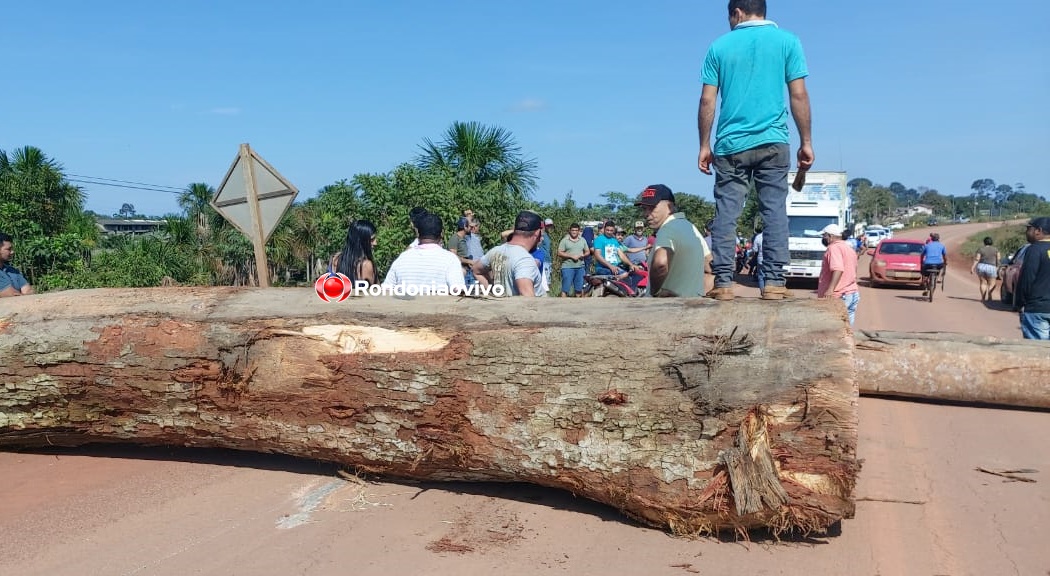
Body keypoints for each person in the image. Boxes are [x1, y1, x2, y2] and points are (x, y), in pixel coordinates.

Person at [698, 0, 813, 301]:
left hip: (730, 146)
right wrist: (807, 141)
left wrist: (703, 145)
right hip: (773, 142)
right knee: (774, 210)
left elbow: (707, 101)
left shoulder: (719, 47)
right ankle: (774, 281)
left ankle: (723, 282)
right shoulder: (788, 41)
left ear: (736, 13)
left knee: (726, 212)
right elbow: (798, 94)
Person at [634, 184, 707, 297]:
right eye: (644, 209)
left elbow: (660, 264)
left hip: (666, 309)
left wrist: (655, 292)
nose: (646, 214)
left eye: (652, 208)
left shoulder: (667, 229)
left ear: (670, 206)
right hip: (691, 306)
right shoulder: (691, 228)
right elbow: (709, 265)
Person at [381, 213, 465, 294]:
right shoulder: (450, 259)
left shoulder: (402, 258)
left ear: (418, 233)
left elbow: (386, 290)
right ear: (442, 233)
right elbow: (458, 291)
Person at [472, 211, 544, 297]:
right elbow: (528, 300)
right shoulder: (524, 260)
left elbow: (476, 270)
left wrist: (494, 294)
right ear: (537, 233)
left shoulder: (495, 251)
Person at [816, 224, 860, 326]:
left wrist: (830, 289)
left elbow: (838, 269)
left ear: (830, 236)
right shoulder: (849, 248)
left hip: (840, 295)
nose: (823, 238)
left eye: (824, 236)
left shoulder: (833, 248)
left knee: (833, 329)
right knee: (847, 330)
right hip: (852, 293)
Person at [1016, 217, 1050, 340]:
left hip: (1037, 309)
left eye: (1028, 229)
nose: (1027, 232)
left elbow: (1028, 279)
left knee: (1038, 352)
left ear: (1038, 231)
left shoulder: (1035, 249)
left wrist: (1021, 303)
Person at [331, 220, 378, 286]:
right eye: (372, 240)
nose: (375, 243)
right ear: (361, 242)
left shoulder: (336, 259)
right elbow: (376, 292)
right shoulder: (366, 265)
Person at [557, 223, 589, 297]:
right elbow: (559, 252)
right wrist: (571, 256)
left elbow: (587, 251)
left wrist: (583, 255)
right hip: (567, 266)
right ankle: (562, 304)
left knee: (579, 288)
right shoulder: (564, 240)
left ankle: (577, 305)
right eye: (573, 230)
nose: (574, 232)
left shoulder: (582, 240)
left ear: (578, 231)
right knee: (565, 288)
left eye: (576, 230)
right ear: (570, 231)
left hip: (580, 267)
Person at [0, 233, 34, 297]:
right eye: (8, 249)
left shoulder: (13, 270)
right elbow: (11, 294)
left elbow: (29, 291)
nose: (12, 252)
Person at [970, 236, 1001, 302]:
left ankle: (983, 298)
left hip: (981, 266)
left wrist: (972, 267)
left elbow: (977, 259)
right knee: (992, 283)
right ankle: (990, 295)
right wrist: (998, 267)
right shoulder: (996, 249)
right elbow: (998, 259)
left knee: (983, 283)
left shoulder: (980, 249)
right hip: (992, 267)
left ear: (984, 242)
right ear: (991, 242)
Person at [920, 232, 947, 296]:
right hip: (938, 264)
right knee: (942, 266)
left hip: (928, 264)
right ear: (938, 239)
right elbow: (944, 256)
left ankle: (924, 281)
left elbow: (922, 255)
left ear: (932, 238)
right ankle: (939, 278)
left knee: (924, 273)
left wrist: (921, 262)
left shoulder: (927, 245)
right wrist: (945, 262)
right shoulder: (942, 245)